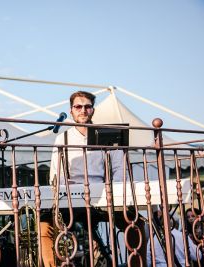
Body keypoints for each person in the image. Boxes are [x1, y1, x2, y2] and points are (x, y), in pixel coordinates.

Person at [40, 91, 133, 267]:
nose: (83, 110)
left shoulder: (107, 133)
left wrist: (114, 193)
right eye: (78, 106)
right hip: (70, 199)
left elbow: (120, 169)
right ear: (71, 110)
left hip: (104, 197)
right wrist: (65, 191)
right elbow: (55, 174)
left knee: (135, 224)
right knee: (45, 227)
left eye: (87, 106)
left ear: (93, 110)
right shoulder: (63, 138)